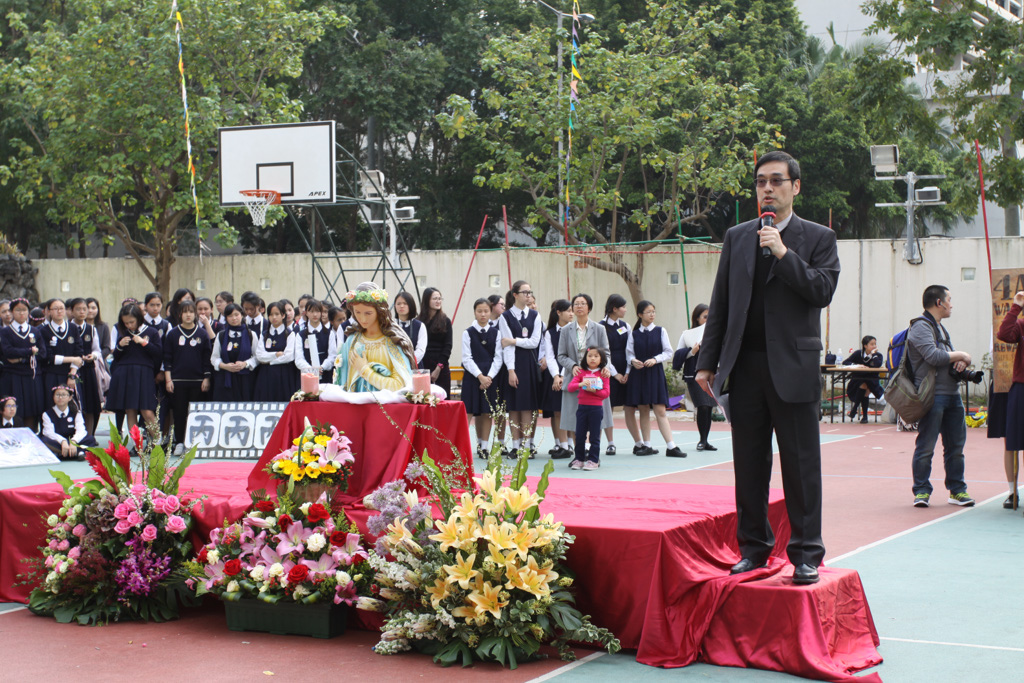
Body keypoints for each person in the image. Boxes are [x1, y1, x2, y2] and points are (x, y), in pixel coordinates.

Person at [696, 150, 840, 586]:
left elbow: (821, 290)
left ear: (796, 187)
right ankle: (754, 549)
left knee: (801, 466)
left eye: (776, 181)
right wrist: (707, 363)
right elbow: (721, 303)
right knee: (749, 466)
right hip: (745, 368)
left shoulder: (818, 237)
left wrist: (782, 252)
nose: (767, 189)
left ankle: (806, 554)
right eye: (761, 182)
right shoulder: (738, 236)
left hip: (793, 368)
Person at [907, 285, 975, 509]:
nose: (951, 305)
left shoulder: (941, 329)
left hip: (952, 395)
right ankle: (921, 491)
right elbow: (934, 356)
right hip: (932, 396)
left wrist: (960, 363)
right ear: (939, 303)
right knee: (926, 447)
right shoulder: (920, 326)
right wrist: (963, 354)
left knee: (955, 448)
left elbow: (945, 357)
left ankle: (957, 490)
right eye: (949, 300)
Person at [624, 300, 683, 458]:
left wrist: (655, 359)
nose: (652, 315)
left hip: (655, 373)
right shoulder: (634, 334)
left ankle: (671, 446)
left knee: (660, 410)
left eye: (653, 311)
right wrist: (633, 361)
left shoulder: (660, 331)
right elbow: (629, 354)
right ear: (640, 314)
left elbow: (668, 352)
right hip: (639, 374)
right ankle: (647, 445)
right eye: (648, 312)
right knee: (643, 410)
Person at [556, 294, 613, 458]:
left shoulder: (599, 328)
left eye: (583, 303)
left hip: (596, 378)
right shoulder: (566, 330)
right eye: (576, 304)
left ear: (589, 307)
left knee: (597, 419)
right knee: (575, 420)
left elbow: (606, 353)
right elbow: (561, 355)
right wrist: (573, 366)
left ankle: (594, 455)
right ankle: (579, 455)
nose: (579, 306)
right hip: (575, 379)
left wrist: (605, 367)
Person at [333, 283, 415, 392]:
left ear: (380, 311)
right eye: (357, 312)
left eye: (368, 313)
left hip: (382, 402)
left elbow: (400, 386)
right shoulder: (352, 340)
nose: (362, 318)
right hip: (355, 401)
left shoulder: (392, 341)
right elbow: (342, 383)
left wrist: (365, 370)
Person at [106, 302, 163, 444]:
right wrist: (120, 346)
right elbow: (116, 357)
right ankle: (137, 444)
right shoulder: (123, 333)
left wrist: (144, 342)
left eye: (131, 322)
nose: (129, 325)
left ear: (139, 318)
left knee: (146, 410)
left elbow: (158, 353)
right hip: (126, 373)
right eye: (126, 323)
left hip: (144, 374)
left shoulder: (151, 332)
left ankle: (158, 442)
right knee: (130, 409)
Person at [499, 281, 543, 456]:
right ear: (515, 294)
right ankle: (516, 445)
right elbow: (506, 346)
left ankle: (526, 445)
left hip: (529, 364)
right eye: (524, 292)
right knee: (514, 407)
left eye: (529, 292)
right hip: (513, 364)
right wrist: (511, 370)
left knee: (527, 406)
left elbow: (534, 342)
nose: (528, 295)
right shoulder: (505, 317)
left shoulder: (535, 315)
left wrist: (514, 341)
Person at [164, 301, 213, 454]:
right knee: (179, 412)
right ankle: (179, 442)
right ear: (180, 314)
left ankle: (194, 442)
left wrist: (206, 378)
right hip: (177, 381)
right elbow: (167, 358)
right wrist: (168, 379)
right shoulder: (173, 334)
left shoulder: (202, 334)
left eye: (191, 311)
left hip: (198, 381)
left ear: (195, 314)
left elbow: (207, 359)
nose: (188, 315)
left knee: (196, 413)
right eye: (185, 312)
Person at [461, 298, 503, 458]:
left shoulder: (496, 333)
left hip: (491, 377)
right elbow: (466, 358)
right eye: (479, 311)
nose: (483, 314)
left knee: (487, 412)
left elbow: (498, 358)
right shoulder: (468, 332)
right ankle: (461, 447)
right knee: (468, 412)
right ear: (474, 312)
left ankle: (483, 447)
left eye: (486, 311)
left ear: (490, 312)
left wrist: (488, 377)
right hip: (472, 376)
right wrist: (480, 376)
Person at [996, 289, 1024, 509]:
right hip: (1020, 387)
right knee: (1012, 441)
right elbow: (1004, 334)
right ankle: (1012, 491)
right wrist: (1016, 306)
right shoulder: (1020, 324)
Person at [676, 303, 717, 451]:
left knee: (709, 407)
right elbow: (678, 354)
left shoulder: (715, 333)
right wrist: (692, 351)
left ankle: (706, 440)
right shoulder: (687, 334)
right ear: (697, 318)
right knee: (702, 405)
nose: (708, 319)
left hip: (712, 373)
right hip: (694, 375)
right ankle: (702, 440)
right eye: (705, 317)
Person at [0, 298, 45, 430]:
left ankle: (30, 437)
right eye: (17, 310)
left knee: (31, 411)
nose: (21, 313)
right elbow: (8, 352)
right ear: (12, 312)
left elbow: (42, 353)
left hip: (32, 376)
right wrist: (30, 351)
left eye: (24, 310)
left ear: (28, 312)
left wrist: (21, 359)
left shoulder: (35, 331)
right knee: (14, 410)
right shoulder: (5, 332)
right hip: (12, 377)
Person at [566, 347, 612, 471]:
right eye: (590, 356)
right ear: (585, 358)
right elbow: (570, 387)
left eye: (596, 356)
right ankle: (579, 459)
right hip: (582, 408)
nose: (592, 359)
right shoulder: (581, 372)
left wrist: (594, 391)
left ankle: (593, 460)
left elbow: (606, 393)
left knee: (594, 436)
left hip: (596, 408)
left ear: (601, 359)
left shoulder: (604, 373)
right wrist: (580, 384)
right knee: (579, 435)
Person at [541, 299, 573, 459]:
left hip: (571, 374)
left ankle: (572, 444)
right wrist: (556, 376)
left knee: (571, 411)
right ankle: (563, 445)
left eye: (572, 310)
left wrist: (563, 375)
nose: (572, 314)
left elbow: (571, 356)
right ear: (559, 313)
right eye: (568, 310)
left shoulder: (575, 330)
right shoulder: (550, 333)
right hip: (554, 376)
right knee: (557, 411)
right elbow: (550, 356)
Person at [39, 298, 85, 410]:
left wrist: (72, 375)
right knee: (51, 406)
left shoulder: (73, 328)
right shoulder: (43, 331)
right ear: (48, 311)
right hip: (52, 375)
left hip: (70, 373)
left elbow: (79, 353)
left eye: (61, 308)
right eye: (55, 309)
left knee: (73, 407)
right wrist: (72, 359)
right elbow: (48, 357)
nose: (59, 311)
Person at [599, 293, 630, 454]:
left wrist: (627, 371)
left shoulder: (626, 326)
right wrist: (615, 374)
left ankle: (640, 443)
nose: (625, 310)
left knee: (629, 406)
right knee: (606, 408)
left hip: (626, 370)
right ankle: (608, 443)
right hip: (608, 372)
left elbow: (630, 350)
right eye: (623, 307)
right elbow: (602, 353)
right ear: (614, 309)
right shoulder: (601, 327)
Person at [67, 298, 103, 436]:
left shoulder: (91, 329)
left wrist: (93, 356)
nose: (82, 312)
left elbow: (97, 350)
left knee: (90, 404)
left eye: (84, 309)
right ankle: (74, 435)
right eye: (78, 309)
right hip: (72, 369)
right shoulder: (67, 328)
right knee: (75, 404)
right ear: (71, 311)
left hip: (88, 370)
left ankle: (89, 436)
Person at [211, 303, 258, 401]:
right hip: (225, 379)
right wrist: (225, 366)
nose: (234, 318)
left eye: (236, 315)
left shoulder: (251, 334)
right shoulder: (221, 335)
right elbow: (214, 358)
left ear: (242, 315)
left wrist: (245, 364)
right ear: (226, 318)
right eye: (230, 316)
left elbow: (257, 357)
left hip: (245, 380)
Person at [253, 300, 298, 401]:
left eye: (277, 314)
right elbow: (259, 355)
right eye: (271, 314)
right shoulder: (264, 335)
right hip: (266, 375)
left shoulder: (290, 334)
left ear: (283, 315)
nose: (274, 317)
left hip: (284, 374)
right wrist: (276, 354)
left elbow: (289, 356)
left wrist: (269, 361)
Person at [40, 385, 98, 460]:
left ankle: (61, 454)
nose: (60, 397)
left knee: (90, 439)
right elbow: (49, 433)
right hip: (58, 442)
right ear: (53, 397)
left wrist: (73, 442)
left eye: (64, 395)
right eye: (57, 395)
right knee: (43, 440)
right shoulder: (47, 414)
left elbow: (81, 431)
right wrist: (63, 441)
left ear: (70, 397)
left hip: (73, 441)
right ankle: (78, 452)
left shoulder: (76, 412)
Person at [418, 287, 453, 397]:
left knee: (443, 400)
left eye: (439, 298)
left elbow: (448, 346)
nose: (438, 301)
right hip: (422, 365)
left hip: (441, 366)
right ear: (426, 300)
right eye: (435, 299)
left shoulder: (445, 321)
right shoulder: (418, 322)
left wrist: (438, 368)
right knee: (422, 399)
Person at [842, 336, 884, 423]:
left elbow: (877, 365)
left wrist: (874, 354)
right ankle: (864, 416)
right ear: (865, 346)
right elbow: (845, 362)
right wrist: (857, 365)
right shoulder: (858, 353)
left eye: (875, 344)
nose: (874, 346)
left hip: (872, 379)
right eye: (872, 344)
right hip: (858, 379)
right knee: (865, 385)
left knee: (866, 384)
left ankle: (855, 409)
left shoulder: (878, 355)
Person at [295, 299, 335, 384]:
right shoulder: (300, 335)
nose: (315, 314)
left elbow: (332, 356)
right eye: (311, 311)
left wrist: (322, 367)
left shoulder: (329, 333)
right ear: (306, 313)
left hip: (326, 376)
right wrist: (311, 370)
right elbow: (299, 359)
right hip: (307, 377)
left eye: (317, 311)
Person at [394, 291, 427, 366]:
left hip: (414, 366)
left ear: (411, 305)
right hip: (395, 366)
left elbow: (421, 350)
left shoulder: (420, 326)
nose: (401, 306)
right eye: (398, 304)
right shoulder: (390, 325)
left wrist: (408, 362)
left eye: (405, 303)